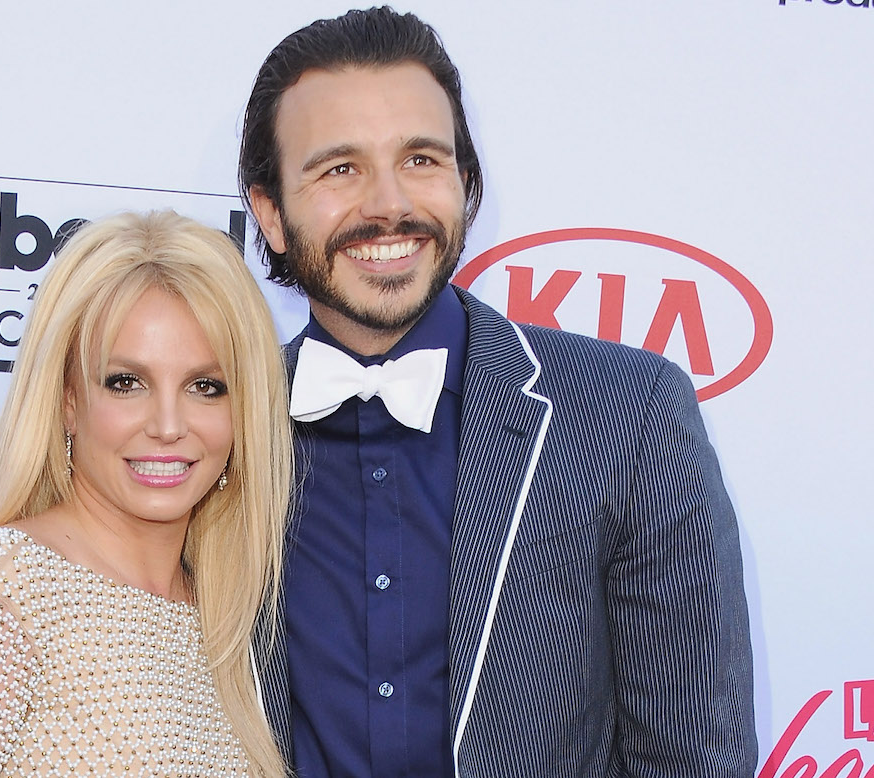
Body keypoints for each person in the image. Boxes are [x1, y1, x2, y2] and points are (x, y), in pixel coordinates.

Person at [239, 7, 757, 777]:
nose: (389, 203)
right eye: (339, 169)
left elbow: (696, 757)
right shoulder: (217, 433)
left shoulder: (629, 414)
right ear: (271, 213)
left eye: (421, 159)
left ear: (466, 184)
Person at [0, 211, 291, 777]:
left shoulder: (233, 623)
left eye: (205, 387)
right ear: (67, 401)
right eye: (126, 383)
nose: (168, 425)